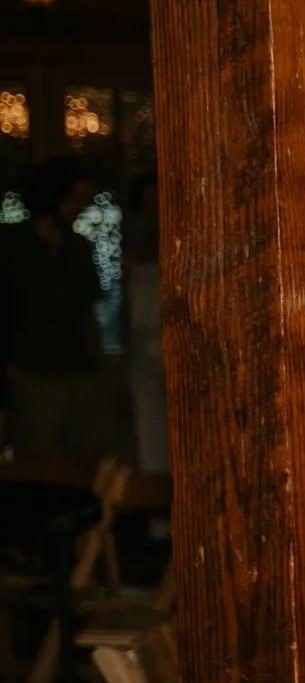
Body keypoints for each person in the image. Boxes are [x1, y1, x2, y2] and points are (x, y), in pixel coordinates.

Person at [0, 157, 106, 461]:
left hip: (78, 372)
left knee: (85, 460)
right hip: (32, 373)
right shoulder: (13, 244)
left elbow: (88, 309)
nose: (79, 207)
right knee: (37, 463)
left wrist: (95, 365)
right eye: (73, 198)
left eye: (84, 200)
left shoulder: (77, 246)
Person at [124, 171, 169, 475]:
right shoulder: (132, 241)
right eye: (147, 202)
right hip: (144, 345)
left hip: (173, 342)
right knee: (150, 429)